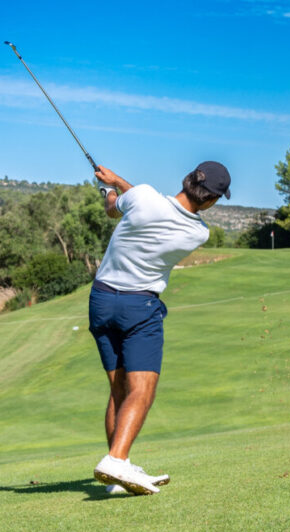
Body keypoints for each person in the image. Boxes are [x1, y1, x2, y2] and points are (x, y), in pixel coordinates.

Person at [90, 161, 230, 494]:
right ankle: (116, 460)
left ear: (187, 179)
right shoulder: (198, 232)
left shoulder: (143, 196)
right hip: (140, 307)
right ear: (210, 200)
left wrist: (110, 189)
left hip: (101, 300)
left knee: (119, 390)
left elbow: (117, 208)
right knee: (142, 389)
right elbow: (148, 204)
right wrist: (120, 183)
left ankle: (117, 472)